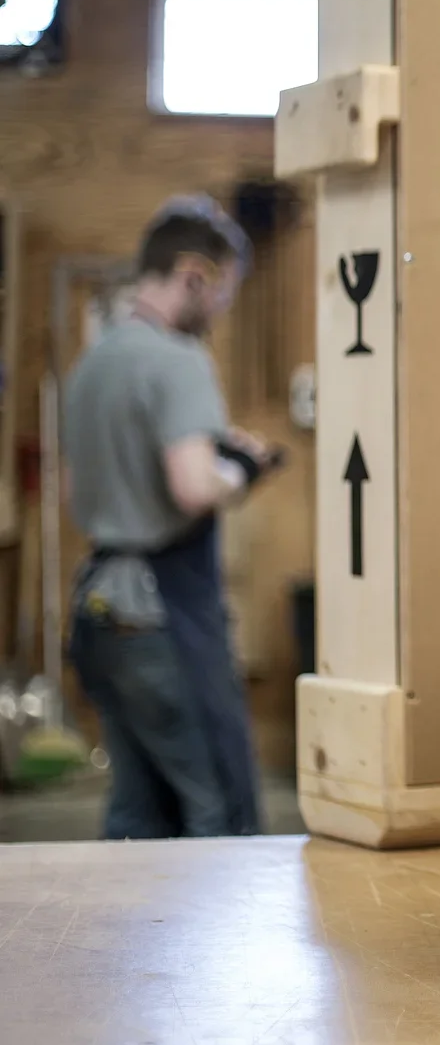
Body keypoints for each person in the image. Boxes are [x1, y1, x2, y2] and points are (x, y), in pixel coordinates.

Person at [64, 195, 282, 839]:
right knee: (220, 806)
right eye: (221, 293)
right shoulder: (179, 360)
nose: (219, 310)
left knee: (139, 810)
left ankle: (122, 943)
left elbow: (79, 494)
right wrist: (241, 471)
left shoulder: (92, 365)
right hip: (164, 615)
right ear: (194, 274)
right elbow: (191, 488)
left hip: (102, 609)